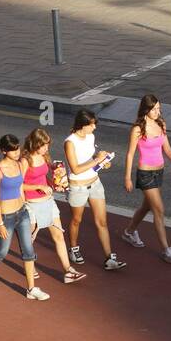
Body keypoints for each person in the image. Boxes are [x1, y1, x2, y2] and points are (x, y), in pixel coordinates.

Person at [0, 135, 49, 301]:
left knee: (28, 251)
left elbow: (21, 186)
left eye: (17, 148)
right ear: (3, 151)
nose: (17, 152)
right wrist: (0, 222)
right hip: (6, 217)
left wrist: (26, 207)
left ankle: (31, 289)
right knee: (1, 252)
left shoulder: (19, 164)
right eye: (12, 150)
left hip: (21, 212)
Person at [122, 94, 171, 263]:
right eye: (155, 109)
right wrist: (127, 177)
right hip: (145, 174)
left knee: (146, 206)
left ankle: (129, 232)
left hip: (159, 172)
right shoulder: (138, 129)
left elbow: (167, 148)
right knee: (159, 209)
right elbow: (130, 154)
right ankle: (167, 250)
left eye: (159, 108)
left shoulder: (161, 124)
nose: (158, 111)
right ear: (146, 109)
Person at [21, 128, 85, 284]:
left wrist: (56, 182)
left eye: (47, 145)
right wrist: (38, 188)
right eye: (43, 145)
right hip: (31, 204)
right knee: (29, 239)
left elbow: (44, 177)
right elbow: (19, 185)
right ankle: (30, 266)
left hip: (48, 201)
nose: (46, 148)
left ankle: (68, 270)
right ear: (35, 144)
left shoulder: (44, 157)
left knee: (59, 237)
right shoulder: (25, 160)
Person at [64, 109, 124, 271]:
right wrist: (97, 160)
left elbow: (90, 158)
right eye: (92, 125)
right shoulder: (70, 142)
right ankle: (73, 248)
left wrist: (102, 160)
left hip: (95, 183)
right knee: (77, 220)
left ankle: (109, 257)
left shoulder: (90, 137)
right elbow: (75, 168)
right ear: (83, 125)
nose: (94, 128)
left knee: (102, 221)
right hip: (78, 186)